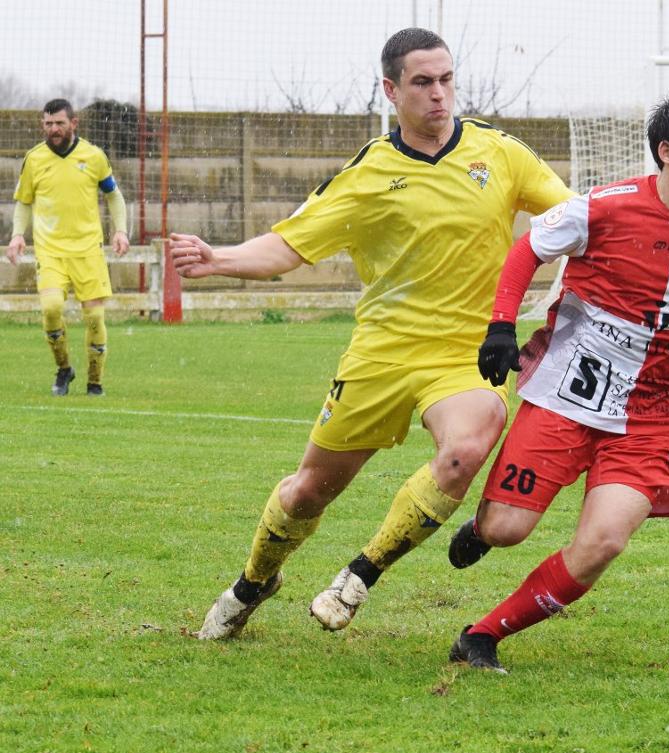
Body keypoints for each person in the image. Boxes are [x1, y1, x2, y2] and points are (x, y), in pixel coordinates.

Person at [169, 27, 573, 640]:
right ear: (391, 90)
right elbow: (287, 245)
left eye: (446, 80)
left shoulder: (501, 154)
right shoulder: (367, 174)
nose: (439, 95)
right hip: (381, 351)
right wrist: (218, 257)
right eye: (422, 83)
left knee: (465, 451)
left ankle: (362, 573)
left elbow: (572, 219)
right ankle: (255, 581)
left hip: (466, 353)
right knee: (308, 493)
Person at [443, 93, 669, 674]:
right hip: (568, 395)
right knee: (507, 528)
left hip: (650, 416)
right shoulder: (602, 208)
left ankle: (482, 635)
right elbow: (526, 251)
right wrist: (501, 328)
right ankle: (485, 529)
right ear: (667, 152)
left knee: (604, 543)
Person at [8, 98, 130, 396]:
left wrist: (121, 231)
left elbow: (113, 195)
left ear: (73, 123)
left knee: (95, 317)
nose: (54, 129)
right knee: (51, 309)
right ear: (43, 125)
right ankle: (64, 369)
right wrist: (16, 235)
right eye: (48, 124)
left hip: (88, 249)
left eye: (60, 123)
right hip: (50, 251)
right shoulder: (34, 159)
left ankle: (95, 381)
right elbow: (24, 201)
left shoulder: (94, 156)